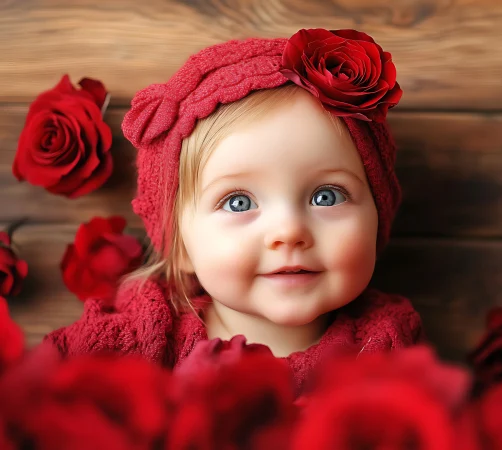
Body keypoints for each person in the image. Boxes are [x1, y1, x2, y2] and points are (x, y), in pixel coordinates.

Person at [44, 29, 424, 394]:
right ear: (181, 247)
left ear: (376, 218)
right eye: (238, 202)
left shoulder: (389, 354)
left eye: (326, 196)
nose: (289, 231)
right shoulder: (128, 346)